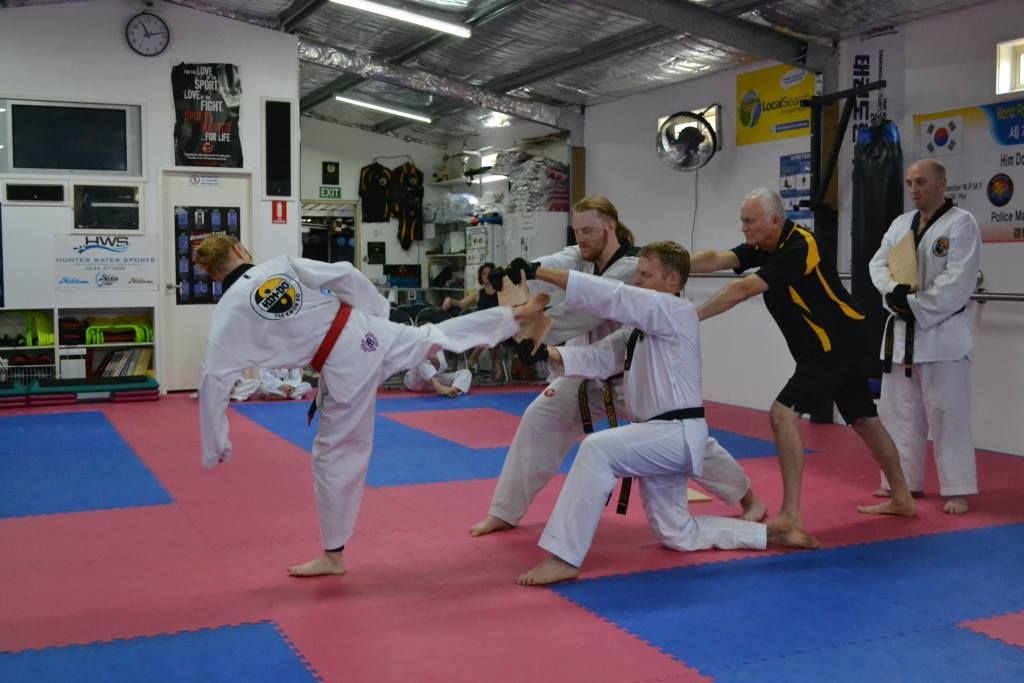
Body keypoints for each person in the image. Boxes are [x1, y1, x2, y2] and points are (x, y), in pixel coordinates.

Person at [193, 234, 549, 578]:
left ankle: (333, 556)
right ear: (240, 250)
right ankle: (512, 316)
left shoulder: (230, 310)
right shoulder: (280, 265)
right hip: (364, 328)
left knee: (334, 455)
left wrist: (216, 443)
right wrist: (379, 311)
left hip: (341, 364)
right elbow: (346, 272)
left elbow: (214, 376)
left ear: (213, 274)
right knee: (434, 336)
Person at [515, 242, 815, 586]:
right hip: (657, 438)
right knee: (677, 534)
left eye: (645, 275)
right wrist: (542, 352)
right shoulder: (637, 331)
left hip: (674, 434)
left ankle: (563, 556)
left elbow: (612, 296)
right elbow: (596, 359)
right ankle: (773, 534)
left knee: (597, 450)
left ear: (672, 280)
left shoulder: (676, 311)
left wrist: (538, 271)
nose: (637, 281)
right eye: (637, 274)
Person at [470, 195, 766, 538]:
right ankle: (504, 511)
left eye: (588, 230)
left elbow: (589, 309)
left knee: (687, 440)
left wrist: (529, 330)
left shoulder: (630, 267)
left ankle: (749, 497)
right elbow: (556, 262)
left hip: (632, 378)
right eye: (576, 230)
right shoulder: (581, 258)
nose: (581, 238)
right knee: (539, 418)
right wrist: (521, 271)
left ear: (609, 227)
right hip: (588, 371)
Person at [691, 188, 917, 545]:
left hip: (834, 347)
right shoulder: (766, 244)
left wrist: (692, 316)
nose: (744, 228)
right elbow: (720, 258)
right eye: (743, 220)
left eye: (749, 221)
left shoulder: (799, 246)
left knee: (783, 415)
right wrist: (672, 264)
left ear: (775, 221)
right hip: (839, 343)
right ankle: (902, 497)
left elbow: (744, 289)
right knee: (864, 419)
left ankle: (791, 516)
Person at [869, 159, 981, 514]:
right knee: (899, 415)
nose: (914, 189)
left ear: (941, 184)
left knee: (947, 416)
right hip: (902, 336)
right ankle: (902, 485)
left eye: (921, 182)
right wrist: (895, 292)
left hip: (942, 336)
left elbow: (958, 281)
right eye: (909, 183)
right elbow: (878, 264)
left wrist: (914, 303)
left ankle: (958, 489)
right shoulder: (901, 224)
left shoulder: (961, 224)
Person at [443, 262, 506, 382]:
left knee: (491, 333)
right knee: (489, 335)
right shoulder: (478, 293)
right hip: (483, 329)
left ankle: (474, 358)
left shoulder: (501, 292)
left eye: (489, 273)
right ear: (481, 276)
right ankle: (497, 367)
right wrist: (450, 299)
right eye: (484, 273)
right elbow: (462, 304)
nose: (486, 276)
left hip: (499, 328)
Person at [403, 350, 472, 397]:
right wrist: (429, 357)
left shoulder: (439, 349)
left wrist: (437, 362)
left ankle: (453, 390)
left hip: (434, 381)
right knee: (421, 359)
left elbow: (443, 367)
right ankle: (438, 387)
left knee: (466, 372)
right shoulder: (420, 344)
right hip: (416, 381)